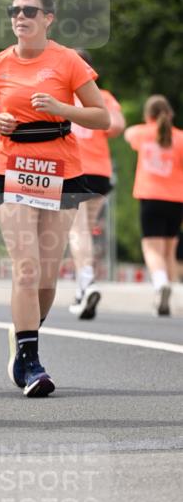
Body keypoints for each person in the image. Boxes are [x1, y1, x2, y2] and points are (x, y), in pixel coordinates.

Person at [0, 0, 109, 396]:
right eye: (14, 10)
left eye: (29, 10)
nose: (20, 16)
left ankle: (23, 337)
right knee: (27, 268)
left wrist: (61, 108)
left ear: (48, 18)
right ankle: (31, 363)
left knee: (47, 278)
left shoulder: (67, 61)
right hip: (12, 166)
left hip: (60, 170)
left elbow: (101, 116)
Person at [67, 51, 125, 319]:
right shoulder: (104, 96)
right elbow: (117, 126)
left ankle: (87, 281)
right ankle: (82, 287)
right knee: (86, 231)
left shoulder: (61, 95)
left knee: (77, 231)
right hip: (99, 171)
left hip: (73, 168)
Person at [124, 95, 183, 316]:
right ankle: (170, 296)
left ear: (148, 116)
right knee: (169, 250)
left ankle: (160, 285)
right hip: (177, 200)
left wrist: (150, 126)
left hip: (150, 198)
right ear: (170, 114)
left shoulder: (143, 134)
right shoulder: (180, 138)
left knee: (151, 248)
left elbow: (128, 133)